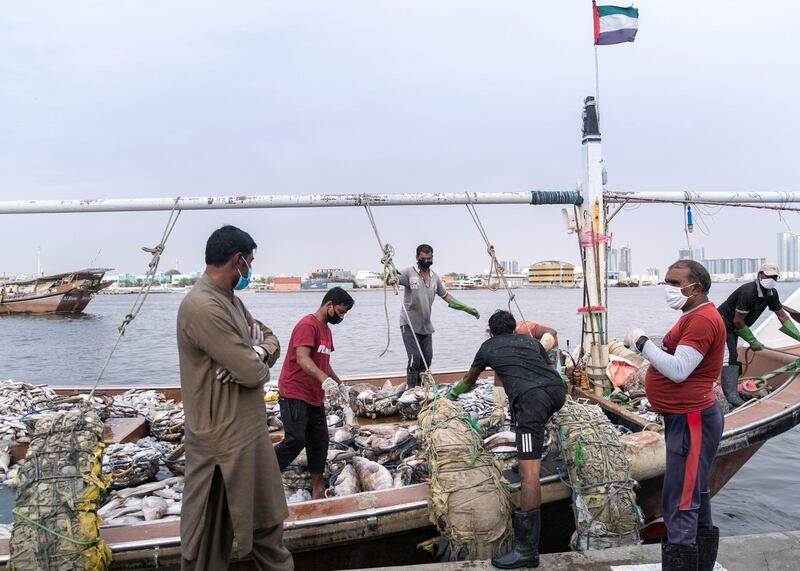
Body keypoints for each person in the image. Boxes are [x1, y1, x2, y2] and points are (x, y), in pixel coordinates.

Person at [176, 225, 292, 571]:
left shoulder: (232, 302)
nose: (251, 271)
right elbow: (255, 374)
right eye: (250, 262)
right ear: (237, 260)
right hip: (218, 446)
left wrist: (255, 351)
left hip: (250, 437)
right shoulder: (201, 306)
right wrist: (253, 360)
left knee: (268, 530)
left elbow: (271, 340)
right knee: (206, 542)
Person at [625, 259, 725, 571]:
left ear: (696, 287)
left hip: (692, 417)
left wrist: (641, 342)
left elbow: (680, 370)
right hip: (686, 416)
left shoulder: (701, 321)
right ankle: (702, 563)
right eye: (666, 281)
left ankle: (682, 563)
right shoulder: (692, 315)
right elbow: (675, 356)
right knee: (695, 490)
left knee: (682, 498)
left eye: (674, 282)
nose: (668, 288)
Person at [446, 310, 566, 569]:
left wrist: (450, 396)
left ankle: (526, 551)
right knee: (531, 430)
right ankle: (531, 452)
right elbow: (546, 369)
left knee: (528, 476)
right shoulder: (532, 342)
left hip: (531, 402)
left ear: (491, 331)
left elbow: (469, 381)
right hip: (557, 392)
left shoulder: (487, 347)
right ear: (514, 329)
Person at [275, 287, 355, 499]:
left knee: (319, 442)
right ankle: (264, 476)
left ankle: (318, 489)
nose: (341, 316)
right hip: (294, 392)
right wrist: (324, 381)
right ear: (328, 305)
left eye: (345, 313)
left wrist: (339, 384)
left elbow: (324, 363)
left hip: (313, 396)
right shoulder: (307, 325)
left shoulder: (326, 331)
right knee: (295, 440)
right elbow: (302, 358)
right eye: (340, 311)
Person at [717, 262, 800, 405]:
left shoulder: (772, 293)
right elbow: (737, 321)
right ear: (759, 275)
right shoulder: (749, 292)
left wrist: (798, 336)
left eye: (775, 277)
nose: (772, 280)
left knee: (734, 356)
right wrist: (752, 340)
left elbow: (781, 315)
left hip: (738, 324)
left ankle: (733, 389)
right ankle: (730, 394)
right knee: (731, 354)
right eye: (768, 276)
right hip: (724, 323)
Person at [397, 244, 480, 387]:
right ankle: (410, 390)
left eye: (429, 258)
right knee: (414, 358)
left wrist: (465, 308)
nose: (426, 261)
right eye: (423, 258)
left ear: (432, 258)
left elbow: (445, 295)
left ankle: (421, 388)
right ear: (417, 258)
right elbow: (392, 279)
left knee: (427, 359)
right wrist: (389, 276)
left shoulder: (434, 277)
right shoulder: (408, 273)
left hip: (425, 325)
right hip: (409, 323)